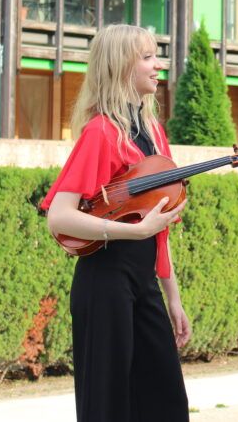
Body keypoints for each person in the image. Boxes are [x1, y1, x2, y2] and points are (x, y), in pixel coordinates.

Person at [43, 24, 190, 422]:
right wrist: (130, 231)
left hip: (143, 284)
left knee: (166, 403)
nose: (158, 65)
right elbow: (59, 217)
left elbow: (158, 228)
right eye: (147, 57)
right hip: (104, 281)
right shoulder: (102, 132)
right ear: (121, 65)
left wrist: (172, 298)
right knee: (108, 407)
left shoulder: (155, 134)